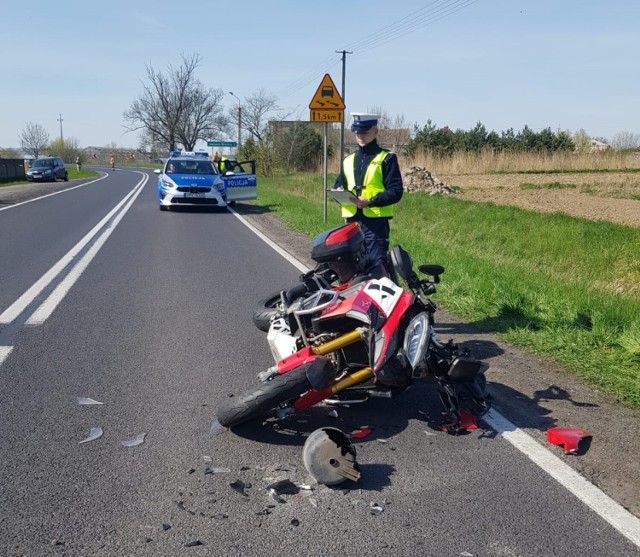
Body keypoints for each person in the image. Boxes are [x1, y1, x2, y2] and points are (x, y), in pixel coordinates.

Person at [333, 113, 404, 274]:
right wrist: (338, 193)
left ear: (376, 131)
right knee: (353, 270)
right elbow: (339, 184)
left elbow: (396, 191)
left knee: (376, 268)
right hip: (351, 222)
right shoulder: (348, 160)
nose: (360, 136)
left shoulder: (387, 158)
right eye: (357, 132)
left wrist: (371, 201)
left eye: (365, 132)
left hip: (375, 224)